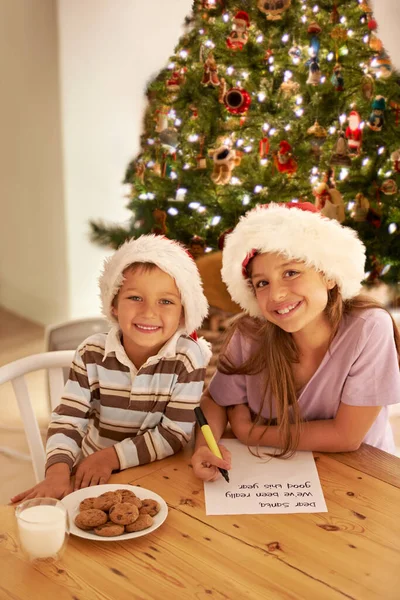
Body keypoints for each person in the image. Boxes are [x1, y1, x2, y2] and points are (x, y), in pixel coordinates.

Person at [192, 202, 400, 482]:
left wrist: (250, 432)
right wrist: (207, 447)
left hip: (361, 479)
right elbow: (216, 401)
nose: (276, 294)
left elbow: (347, 437)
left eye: (291, 273)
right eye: (262, 283)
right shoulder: (249, 333)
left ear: (328, 275)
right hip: (273, 476)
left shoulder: (368, 327)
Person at [12, 234, 211, 501]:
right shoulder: (91, 353)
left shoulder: (188, 357)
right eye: (135, 297)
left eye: (166, 301)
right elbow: (68, 420)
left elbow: (174, 433)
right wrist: (57, 472)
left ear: (183, 313)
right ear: (114, 306)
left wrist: (110, 457)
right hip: (92, 473)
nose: (149, 312)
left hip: (159, 471)